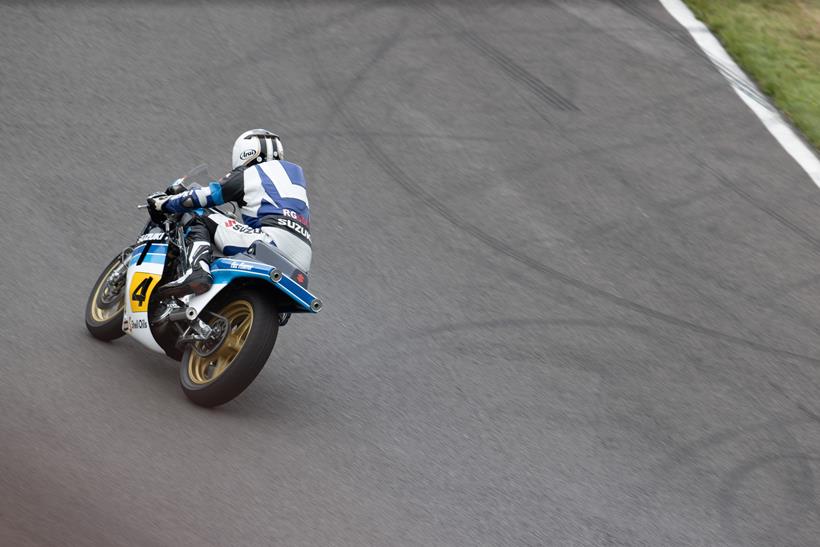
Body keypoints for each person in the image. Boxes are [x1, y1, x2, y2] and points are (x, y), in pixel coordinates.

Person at [148, 129, 312, 298]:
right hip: (302, 263)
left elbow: (204, 196)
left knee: (198, 213)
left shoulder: (250, 173)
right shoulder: (294, 178)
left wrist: (164, 203)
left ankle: (197, 270)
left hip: (270, 242)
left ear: (245, 152)